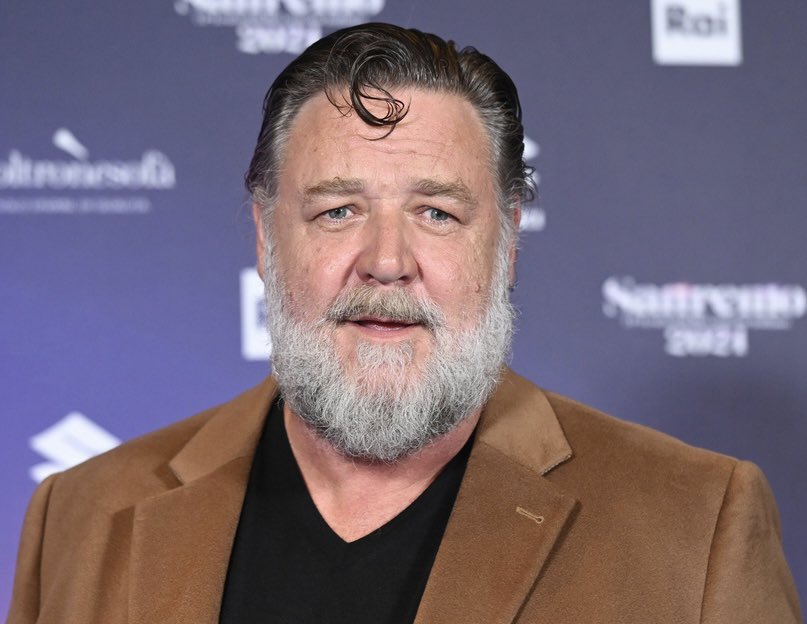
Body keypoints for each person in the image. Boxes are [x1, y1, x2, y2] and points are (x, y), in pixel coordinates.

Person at [7, 22, 802, 624]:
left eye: (436, 212)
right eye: (338, 210)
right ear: (265, 238)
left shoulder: (694, 525)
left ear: (506, 241)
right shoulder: (82, 515)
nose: (386, 261)